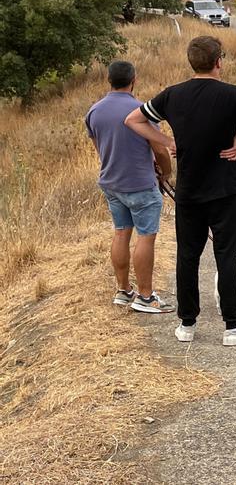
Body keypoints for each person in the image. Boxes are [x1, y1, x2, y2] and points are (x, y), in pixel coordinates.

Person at [125, 35, 236, 347]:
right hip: (226, 190)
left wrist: (167, 142)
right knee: (226, 255)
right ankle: (233, 327)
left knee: (187, 256)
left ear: (191, 62)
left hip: (189, 191)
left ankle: (187, 325)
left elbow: (133, 120)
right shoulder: (235, 95)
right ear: (219, 61)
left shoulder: (173, 95)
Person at [86, 60, 175, 313]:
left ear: (108, 80)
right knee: (146, 237)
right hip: (140, 183)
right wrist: (165, 172)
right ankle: (146, 296)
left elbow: (100, 149)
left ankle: (123, 290)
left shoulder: (94, 111)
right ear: (134, 79)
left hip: (111, 182)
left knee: (121, 232)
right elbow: (159, 147)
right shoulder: (141, 110)